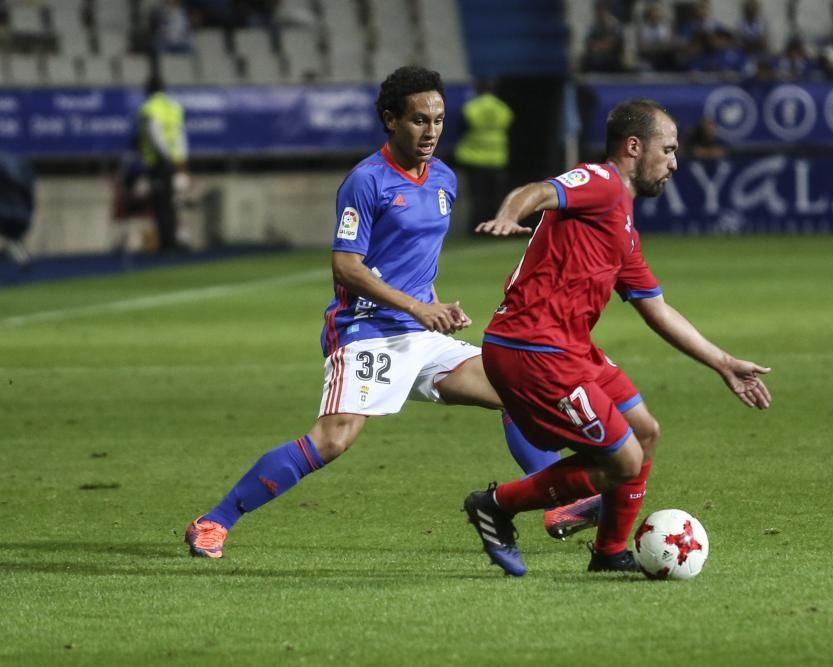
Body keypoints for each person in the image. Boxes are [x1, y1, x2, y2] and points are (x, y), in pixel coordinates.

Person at [184, 66, 599, 560]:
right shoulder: (366, 181)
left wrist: (436, 307)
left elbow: (413, 261)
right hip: (365, 333)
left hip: (421, 332)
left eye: (439, 120)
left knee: (515, 387)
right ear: (390, 121)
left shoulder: (444, 179)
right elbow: (345, 265)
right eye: (419, 120)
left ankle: (553, 503)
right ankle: (214, 521)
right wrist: (418, 308)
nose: (431, 132)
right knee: (334, 439)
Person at [464, 99, 772, 577]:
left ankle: (609, 553)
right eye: (667, 150)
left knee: (645, 431)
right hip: (531, 347)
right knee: (624, 460)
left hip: (569, 347)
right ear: (633, 147)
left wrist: (723, 362)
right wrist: (509, 214)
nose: (674, 162)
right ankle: (496, 505)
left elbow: (657, 309)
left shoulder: (623, 228)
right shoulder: (602, 182)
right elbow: (539, 191)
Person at [136, 72, 188, 254]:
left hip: (159, 162)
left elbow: (155, 135)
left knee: (161, 203)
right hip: (174, 161)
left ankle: (166, 243)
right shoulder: (173, 107)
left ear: (149, 89)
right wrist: (180, 161)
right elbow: (180, 135)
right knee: (172, 202)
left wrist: (164, 157)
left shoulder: (150, 108)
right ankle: (172, 240)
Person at [454, 79, 514, 234]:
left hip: (474, 158)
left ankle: (478, 229)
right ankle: (497, 229)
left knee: (477, 197)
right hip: (497, 158)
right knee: (497, 198)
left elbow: (462, 126)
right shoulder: (503, 108)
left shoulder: (471, 107)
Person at [0, 149, 34, 270]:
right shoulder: (17, 167)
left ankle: (18, 255)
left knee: (12, 236)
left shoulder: (7, 171)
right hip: (19, 214)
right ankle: (19, 255)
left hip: (8, 214)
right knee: (13, 237)